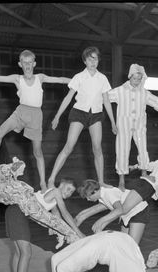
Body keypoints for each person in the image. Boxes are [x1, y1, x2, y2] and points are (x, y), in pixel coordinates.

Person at [0, 49, 71, 192]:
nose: (28, 65)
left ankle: (43, 182)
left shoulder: (40, 77)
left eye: (30, 62)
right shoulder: (17, 78)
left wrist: (78, 81)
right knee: (0, 132)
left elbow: (61, 79)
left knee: (37, 151)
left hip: (36, 115)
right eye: (25, 63)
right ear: (20, 64)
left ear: (34, 63)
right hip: (21, 112)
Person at [0, 145, 84, 247]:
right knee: (46, 220)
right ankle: (69, 235)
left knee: (48, 220)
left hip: (22, 197)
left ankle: (77, 236)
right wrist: (13, 172)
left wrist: (14, 167)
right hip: (19, 196)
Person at [48, 46, 117, 188]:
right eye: (90, 59)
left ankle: (101, 181)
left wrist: (113, 122)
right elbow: (68, 98)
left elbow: (106, 101)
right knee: (69, 146)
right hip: (79, 113)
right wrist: (57, 116)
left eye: (96, 58)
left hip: (96, 115)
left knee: (97, 148)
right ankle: (51, 179)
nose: (93, 62)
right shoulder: (79, 77)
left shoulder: (102, 78)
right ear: (85, 61)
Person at [108, 64, 158, 190]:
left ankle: (144, 172)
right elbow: (105, 96)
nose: (136, 81)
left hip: (139, 125)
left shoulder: (144, 93)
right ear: (130, 77)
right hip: (124, 125)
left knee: (142, 148)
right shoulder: (120, 91)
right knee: (122, 149)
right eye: (134, 78)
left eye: (139, 79)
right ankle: (121, 180)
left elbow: (155, 101)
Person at [92, 140, 158, 233]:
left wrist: (135, 166)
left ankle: (102, 225)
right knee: (123, 209)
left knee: (124, 210)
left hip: (146, 187)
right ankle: (100, 223)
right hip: (146, 186)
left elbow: (147, 166)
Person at [75, 179, 149, 244]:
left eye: (88, 197)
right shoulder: (102, 195)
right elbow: (90, 211)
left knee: (133, 246)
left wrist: (100, 221)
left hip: (138, 211)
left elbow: (119, 210)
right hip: (126, 216)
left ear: (94, 191)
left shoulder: (108, 193)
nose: (88, 199)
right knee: (124, 245)